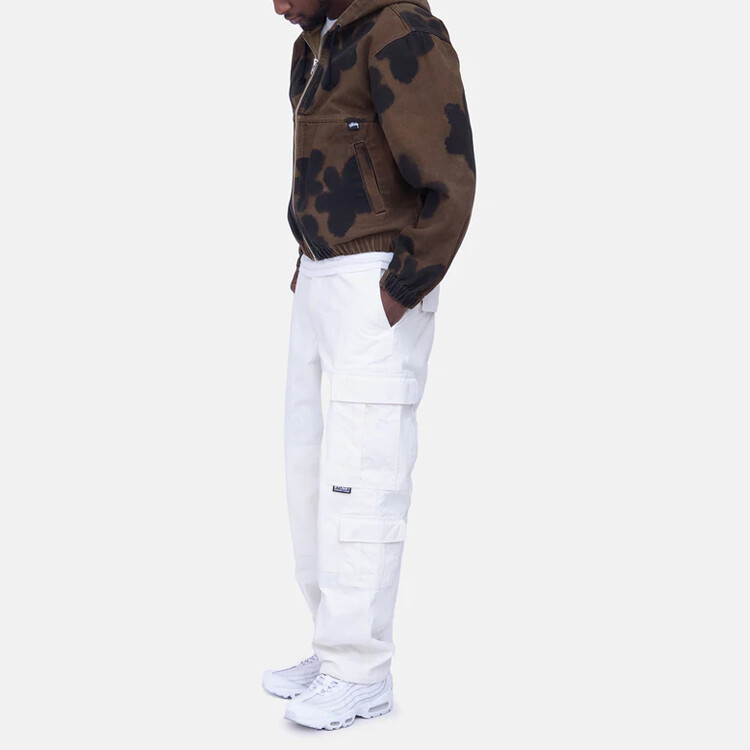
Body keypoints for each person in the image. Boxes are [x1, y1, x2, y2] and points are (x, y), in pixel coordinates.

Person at [264, 0, 476, 730]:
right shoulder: (317, 41)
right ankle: (332, 647)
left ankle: (361, 671)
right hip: (320, 274)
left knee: (365, 472)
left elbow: (450, 178)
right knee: (308, 470)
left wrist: (401, 287)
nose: (275, 6)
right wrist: (309, 262)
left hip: (375, 280)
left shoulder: (399, 30)